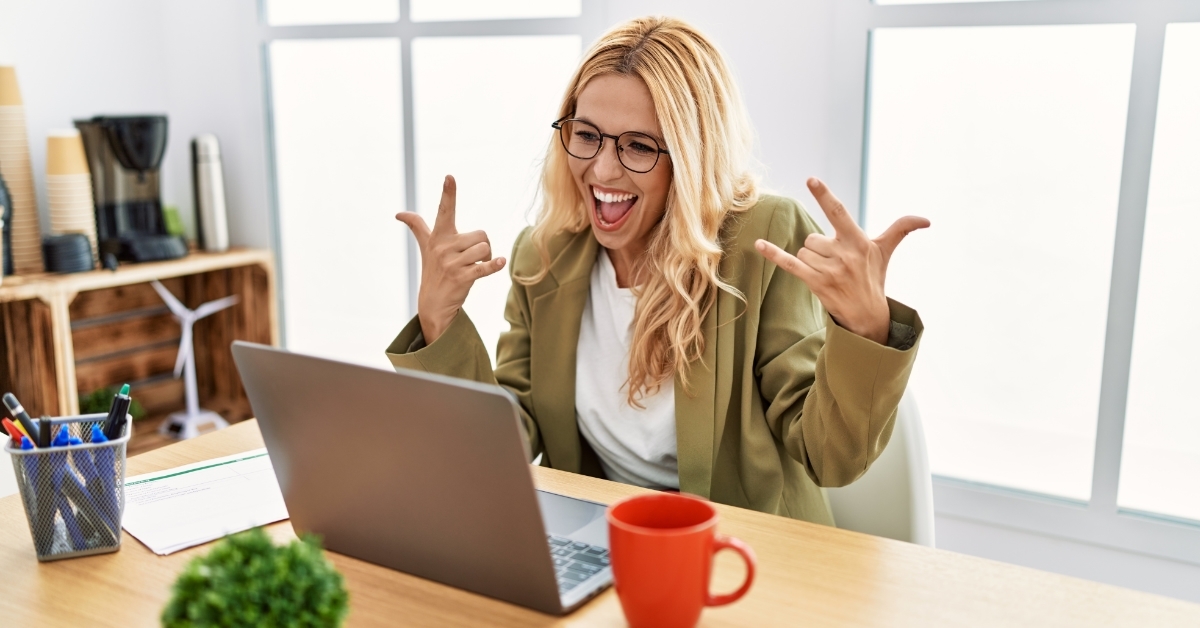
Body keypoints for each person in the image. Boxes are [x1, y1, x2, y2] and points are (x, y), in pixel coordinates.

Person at [389, 16, 929, 525]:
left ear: (692, 158)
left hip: (742, 559)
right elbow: (502, 447)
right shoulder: (544, 254)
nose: (601, 169)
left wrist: (865, 329)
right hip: (602, 546)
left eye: (639, 146)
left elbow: (829, 458)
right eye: (586, 134)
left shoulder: (763, 239)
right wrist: (439, 322)